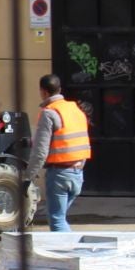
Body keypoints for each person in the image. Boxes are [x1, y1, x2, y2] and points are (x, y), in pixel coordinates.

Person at [25, 73, 90, 232]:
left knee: (57, 220)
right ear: (59, 89)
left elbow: (40, 151)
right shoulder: (75, 110)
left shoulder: (49, 113)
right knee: (60, 217)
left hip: (60, 174)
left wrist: (27, 177)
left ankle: (68, 254)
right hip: (78, 173)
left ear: (44, 92)